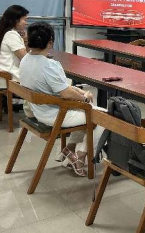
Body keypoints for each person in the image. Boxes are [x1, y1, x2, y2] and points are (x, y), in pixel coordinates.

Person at [19, 22, 105, 177]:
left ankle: (69, 149)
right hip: (56, 115)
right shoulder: (49, 65)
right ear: (50, 41)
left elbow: (63, 88)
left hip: (39, 111)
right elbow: (65, 93)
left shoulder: (25, 60)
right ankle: (80, 156)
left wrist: (81, 93)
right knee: (104, 118)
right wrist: (85, 98)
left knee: (87, 111)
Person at [0, 5, 29, 89]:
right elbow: (25, 58)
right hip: (6, 79)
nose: (26, 23)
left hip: (0, 76)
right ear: (16, 20)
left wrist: (25, 39)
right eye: (25, 20)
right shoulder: (11, 35)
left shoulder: (5, 32)